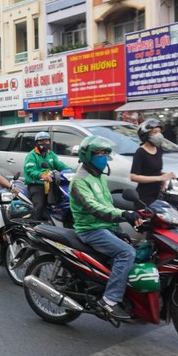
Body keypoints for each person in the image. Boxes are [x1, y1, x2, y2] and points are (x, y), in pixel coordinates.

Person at [70, 136, 143, 320]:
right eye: (100, 153)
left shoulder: (99, 176)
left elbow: (108, 204)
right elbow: (94, 208)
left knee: (137, 249)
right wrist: (123, 215)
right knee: (126, 253)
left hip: (105, 227)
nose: (104, 157)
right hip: (90, 229)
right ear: (87, 155)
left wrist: (119, 229)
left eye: (106, 153)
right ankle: (109, 301)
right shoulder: (80, 180)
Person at [23, 131, 72, 220]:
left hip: (51, 183)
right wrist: (41, 175)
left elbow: (59, 164)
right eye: (41, 141)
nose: (44, 143)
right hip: (37, 184)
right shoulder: (32, 155)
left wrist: (71, 171)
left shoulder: (50, 154)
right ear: (37, 143)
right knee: (39, 205)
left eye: (46, 141)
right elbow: (30, 171)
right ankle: (34, 223)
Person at [130, 119, 175, 207]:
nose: (159, 135)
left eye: (159, 132)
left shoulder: (158, 150)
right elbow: (133, 177)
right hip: (145, 197)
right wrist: (159, 178)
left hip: (158, 195)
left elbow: (152, 170)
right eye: (155, 132)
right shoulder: (140, 152)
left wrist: (165, 176)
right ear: (146, 134)